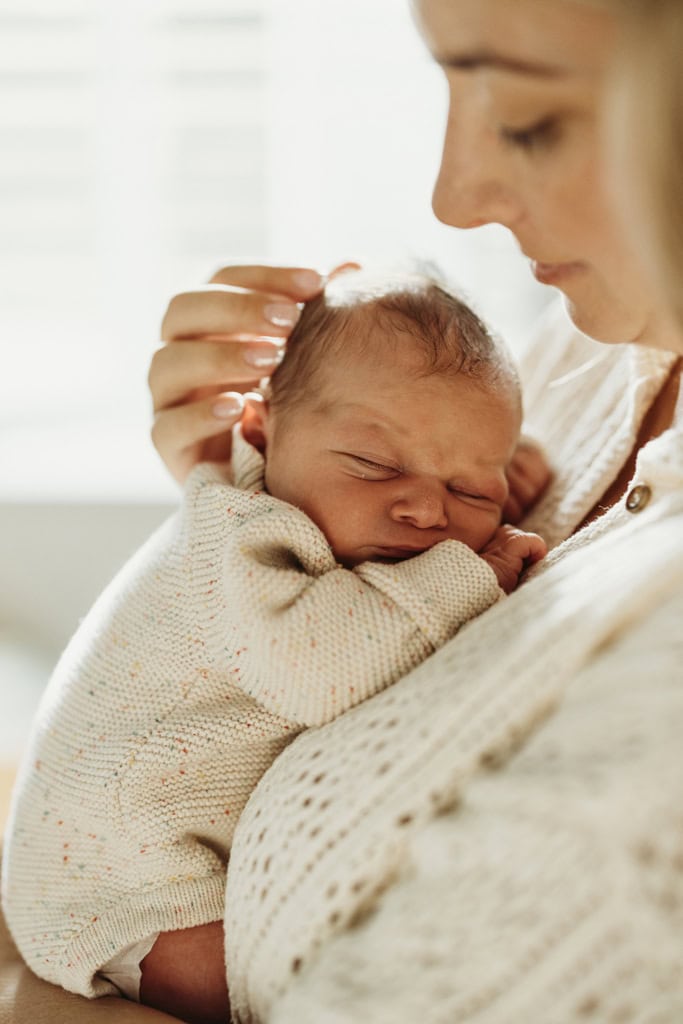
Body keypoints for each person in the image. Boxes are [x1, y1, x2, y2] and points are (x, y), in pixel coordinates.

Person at [1, 0, 681, 1021]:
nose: (455, 197)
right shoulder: (604, 338)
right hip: (119, 896)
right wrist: (252, 489)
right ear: (262, 427)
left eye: (531, 118)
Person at [0, 269, 547, 1023]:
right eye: (374, 465)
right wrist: (464, 574)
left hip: (120, 876)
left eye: (472, 492)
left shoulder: (318, 503)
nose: (425, 509)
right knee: (275, 998)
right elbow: (321, 670)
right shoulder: (242, 537)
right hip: (127, 891)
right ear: (259, 432)